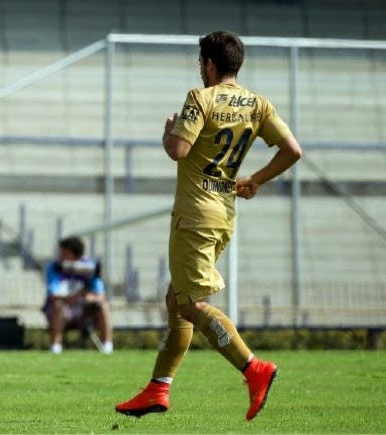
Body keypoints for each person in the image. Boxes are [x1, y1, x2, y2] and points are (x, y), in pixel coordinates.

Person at [115, 31, 302, 421]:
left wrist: (169, 131)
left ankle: (253, 368)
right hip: (224, 214)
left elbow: (178, 150)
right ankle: (157, 389)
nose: (200, 70)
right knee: (176, 299)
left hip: (194, 215)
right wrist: (256, 179)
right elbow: (292, 150)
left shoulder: (201, 97)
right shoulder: (258, 104)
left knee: (189, 303)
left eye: (201, 63)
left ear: (211, 65)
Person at [42, 236, 113, 354]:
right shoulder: (55, 267)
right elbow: (52, 295)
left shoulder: (89, 267)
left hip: (84, 310)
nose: (61, 256)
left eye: (65, 253)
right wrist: (73, 297)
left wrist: (89, 297)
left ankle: (107, 346)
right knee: (58, 306)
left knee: (103, 306)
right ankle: (55, 346)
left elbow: (101, 294)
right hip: (63, 310)